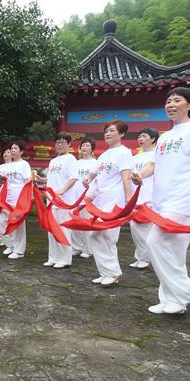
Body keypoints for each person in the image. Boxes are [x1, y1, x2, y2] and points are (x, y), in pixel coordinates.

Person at [133, 87, 190, 315]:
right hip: (162, 201)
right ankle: (170, 299)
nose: (171, 104)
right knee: (171, 251)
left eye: (177, 100)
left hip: (184, 199)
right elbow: (154, 165)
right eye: (168, 101)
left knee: (155, 242)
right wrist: (140, 176)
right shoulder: (165, 137)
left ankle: (182, 294)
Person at [84, 121, 134, 285]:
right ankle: (106, 272)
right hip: (100, 200)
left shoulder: (124, 152)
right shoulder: (104, 155)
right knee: (95, 235)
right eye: (106, 131)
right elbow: (94, 175)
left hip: (114, 201)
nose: (107, 133)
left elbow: (126, 176)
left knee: (107, 236)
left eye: (112, 130)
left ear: (121, 134)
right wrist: (87, 181)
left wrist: (129, 200)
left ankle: (112, 273)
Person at [41, 132, 79, 269]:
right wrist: (41, 180)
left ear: (69, 144)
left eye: (63, 142)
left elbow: (74, 178)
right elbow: (51, 178)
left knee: (63, 230)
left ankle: (65, 259)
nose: (60, 145)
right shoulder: (53, 161)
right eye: (58, 142)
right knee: (51, 230)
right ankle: (53, 257)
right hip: (51, 201)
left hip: (64, 201)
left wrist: (62, 190)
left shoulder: (71, 159)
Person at [0, 140, 32, 259]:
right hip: (6, 199)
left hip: (19, 199)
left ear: (21, 151)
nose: (13, 150)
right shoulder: (7, 166)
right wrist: (1, 179)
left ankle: (19, 251)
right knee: (1, 221)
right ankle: (10, 245)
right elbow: (0, 182)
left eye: (15, 148)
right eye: (12, 148)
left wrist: (30, 197)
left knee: (18, 225)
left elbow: (28, 181)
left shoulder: (24, 164)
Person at [129, 128, 158, 269]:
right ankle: (140, 257)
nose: (141, 138)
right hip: (136, 196)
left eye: (144, 136)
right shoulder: (134, 158)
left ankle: (147, 259)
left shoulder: (156, 155)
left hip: (150, 196)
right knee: (135, 228)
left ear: (152, 139)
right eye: (139, 136)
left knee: (146, 228)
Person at [70, 138, 98, 258]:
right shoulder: (76, 163)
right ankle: (76, 247)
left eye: (87, 146)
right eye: (83, 146)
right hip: (75, 197)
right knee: (75, 224)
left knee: (87, 224)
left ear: (92, 148)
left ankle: (88, 249)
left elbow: (97, 181)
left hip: (88, 198)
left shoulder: (95, 163)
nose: (84, 148)